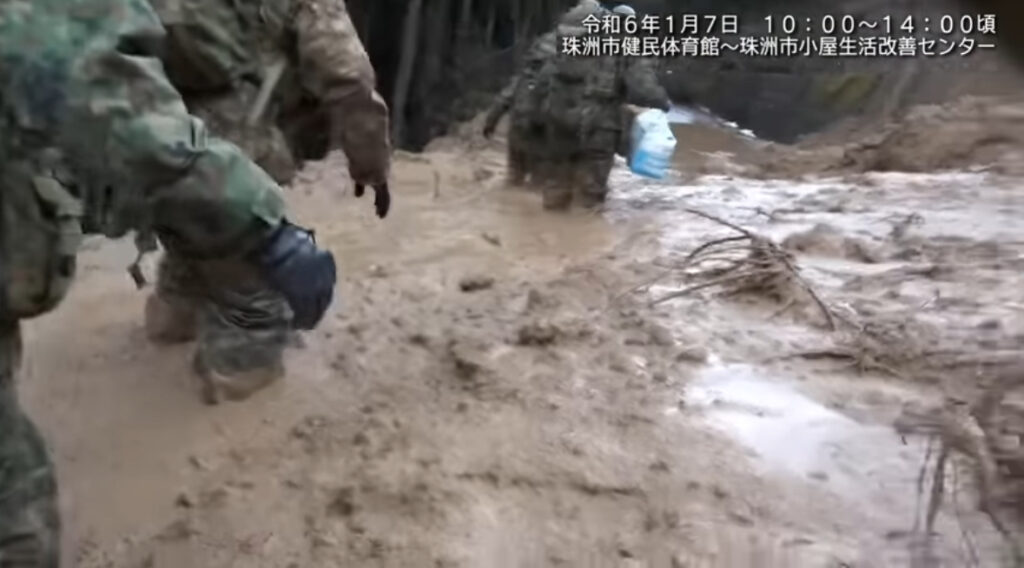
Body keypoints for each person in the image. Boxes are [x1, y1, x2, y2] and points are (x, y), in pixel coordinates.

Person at [0, 0, 340, 562]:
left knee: (193, 250)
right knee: (15, 522)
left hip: (197, 138)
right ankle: (234, 360)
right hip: (214, 141)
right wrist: (272, 230)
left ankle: (185, 320)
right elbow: (131, 124)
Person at [139, 0, 392, 403]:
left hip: (150, 140)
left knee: (191, 238)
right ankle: (239, 371)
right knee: (251, 296)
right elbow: (349, 78)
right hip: (235, 155)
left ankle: (174, 316)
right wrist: (371, 163)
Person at [535, 0, 671, 210]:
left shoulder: (563, 38)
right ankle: (585, 227)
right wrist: (663, 102)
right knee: (591, 192)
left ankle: (547, 225)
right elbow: (642, 87)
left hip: (559, 119)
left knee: (556, 184)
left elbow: (542, 79)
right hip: (599, 124)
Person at [482, 28, 559, 187]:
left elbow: (502, 101)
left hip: (518, 131)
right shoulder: (558, 82)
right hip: (541, 136)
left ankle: (508, 200)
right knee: (538, 182)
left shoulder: (522, 79)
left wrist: (490, 124)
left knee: (514, 176)